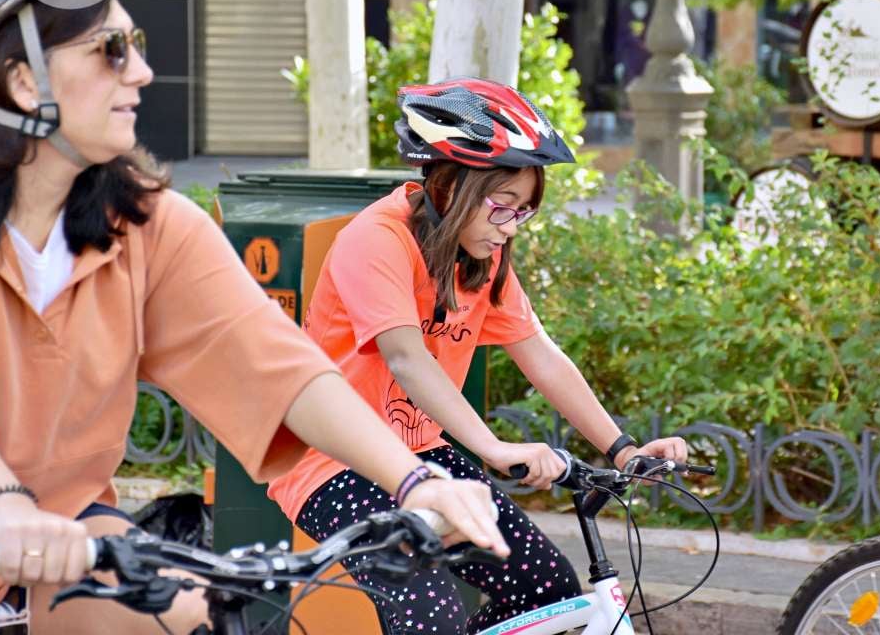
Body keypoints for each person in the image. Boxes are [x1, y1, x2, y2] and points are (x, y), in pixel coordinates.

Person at [0, 0, 507, 635]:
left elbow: (282, 368)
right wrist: (5, 506)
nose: (142, 74)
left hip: (63, 550)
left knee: (198, 615)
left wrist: (416, 481)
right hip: (0, 541)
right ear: (24, 78)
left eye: (140, 47)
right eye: (111, 51)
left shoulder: (149, 227)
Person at [268, 77, 688, 634]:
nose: (510, 225)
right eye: (501, 205)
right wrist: (491, 446)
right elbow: (406, 359)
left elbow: (538, 352)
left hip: (420, 456)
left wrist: (622, 449)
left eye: (524, 212)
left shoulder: (482, 259)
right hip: (332, 463)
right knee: (430, 611)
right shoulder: (376, 239)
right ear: (449, 186)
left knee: (546, 590)